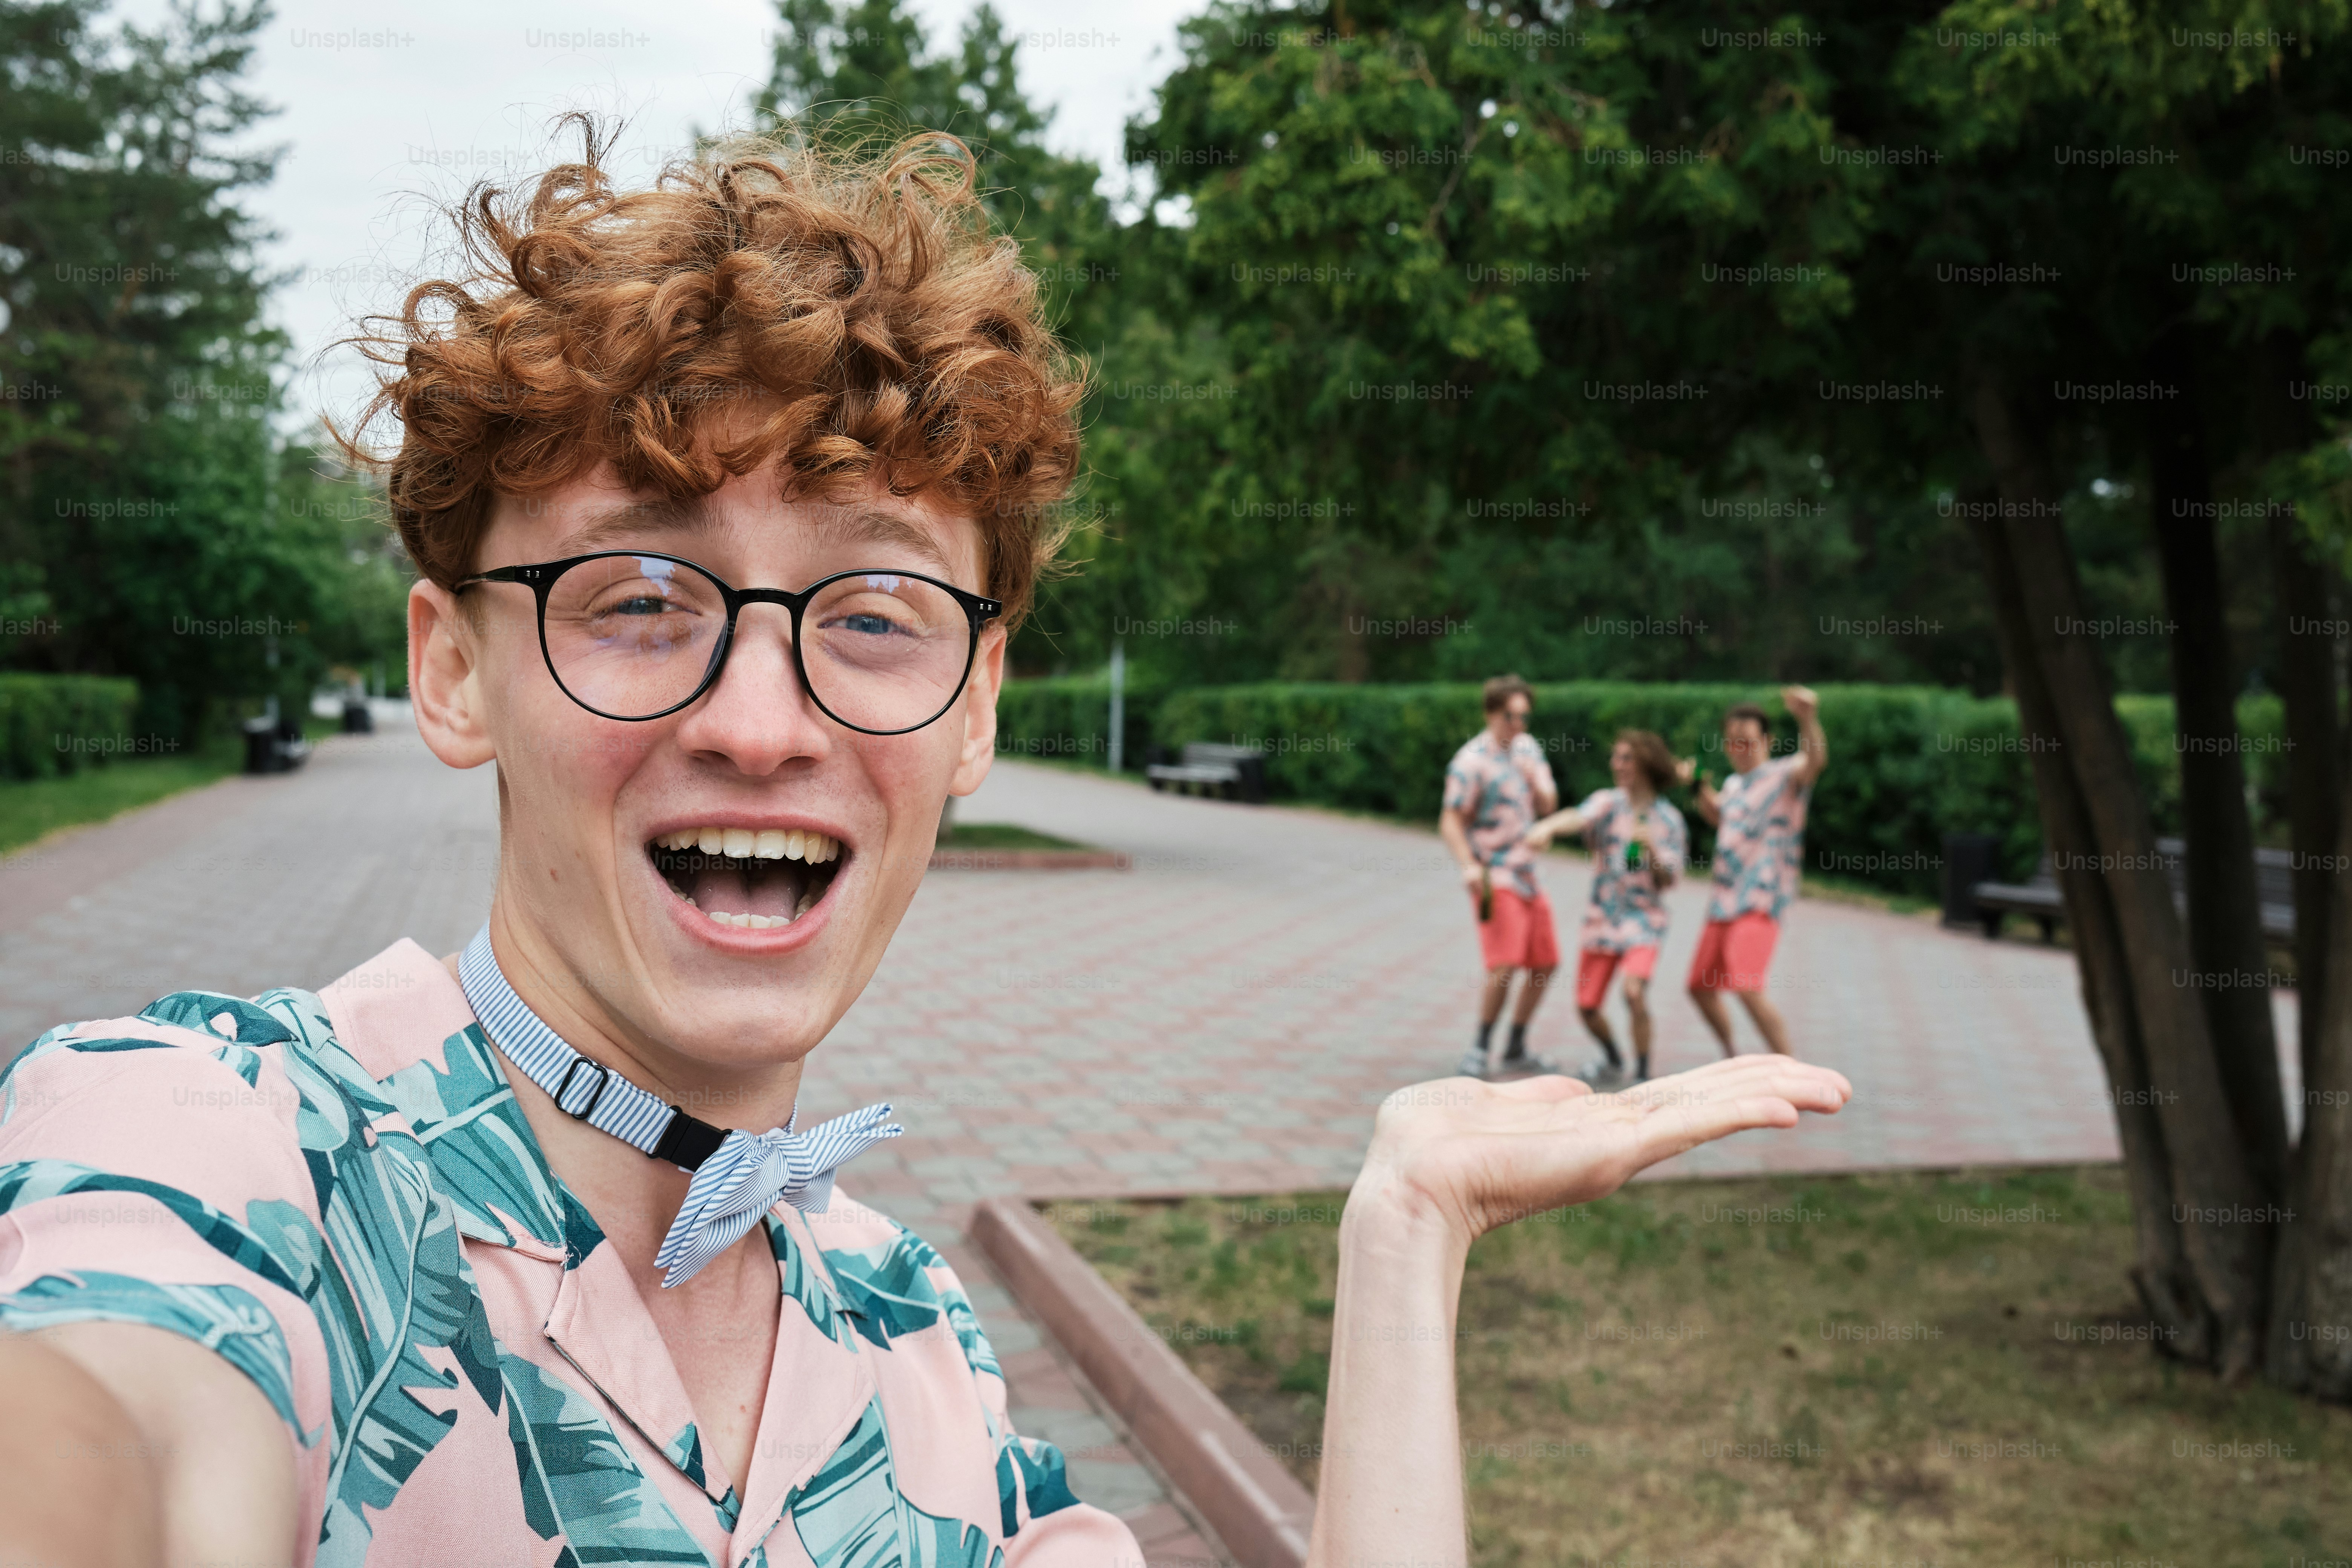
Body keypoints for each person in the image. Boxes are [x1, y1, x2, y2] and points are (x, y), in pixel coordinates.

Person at [0, 130, 1851, 1568]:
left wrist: (1407, 1234)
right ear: (452, 667)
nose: (761, 715)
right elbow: (118, 1423)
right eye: (640, 595)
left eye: (875, 611)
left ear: (973, 710)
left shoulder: (916, 1355)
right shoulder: (224, 1148)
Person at [1522, 730, 1690, 1086]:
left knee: (1633, 992)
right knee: (1586, 1007)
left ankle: (1643, 1075)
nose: (1618, 764)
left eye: (1627, 758)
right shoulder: (1608, 804)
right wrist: (1549, 826)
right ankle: (1614, 1059)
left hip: (1644, 920)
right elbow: (1578, 817)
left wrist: (1653, 853)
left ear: (1646, 764)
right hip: (1603, 918)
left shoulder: (1670, 820)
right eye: (1616, 757)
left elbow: (1670, 880)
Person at [1687, 686, 1829, 1057]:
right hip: (1723, 901)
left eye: (1747, 742)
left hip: (1761, 898)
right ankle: (1731, 1055)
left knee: (1746, 984)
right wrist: (1697, 787)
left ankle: (1790, 1071)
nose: (1739, 749)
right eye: (1732, 742)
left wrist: (1807, 718)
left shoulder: (1784, 776)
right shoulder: (1734, 785)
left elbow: (1815, 761)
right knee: (1700, 986)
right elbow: (1717, 813)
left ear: (1767, 741)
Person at [1439, 675, 1562, 1078]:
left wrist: (1535, 783)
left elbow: (1549, 804)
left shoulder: (1528, 749)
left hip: (1529, 873)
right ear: (1491, 712)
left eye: (1525, 716)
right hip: (1495, 874)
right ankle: (1480, 1046)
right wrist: (1468, 866)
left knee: (1546, 962)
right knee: (1505, 961)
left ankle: (1515, 1045)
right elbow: (1451, 819)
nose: (1519, 725)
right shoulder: (1470, 761)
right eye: (1511, 716)